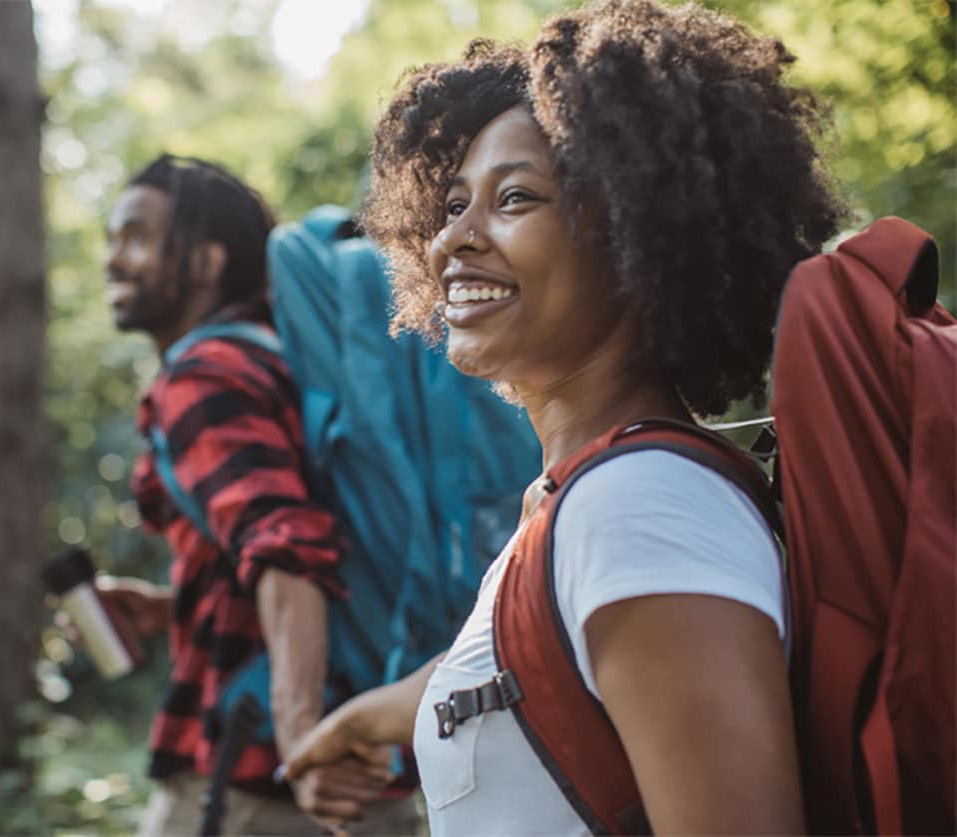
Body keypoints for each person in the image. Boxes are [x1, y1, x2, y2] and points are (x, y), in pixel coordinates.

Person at [280, 2, 846, 834]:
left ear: (636, 232)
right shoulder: (579, 499)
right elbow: (554, 659)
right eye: (449, 206)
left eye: (514, 198)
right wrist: (389, 710)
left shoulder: (639, 509)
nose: (453, 241)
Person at [94, 154, 415, 836]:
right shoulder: (277, 356)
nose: (113, 259)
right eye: (112, 238)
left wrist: (299, 734)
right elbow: (304, 532)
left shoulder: (205, 375)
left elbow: (287, 544)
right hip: (361, 745)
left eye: (136, 237)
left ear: (208, 261)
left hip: (264, 777)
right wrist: (168, 608)